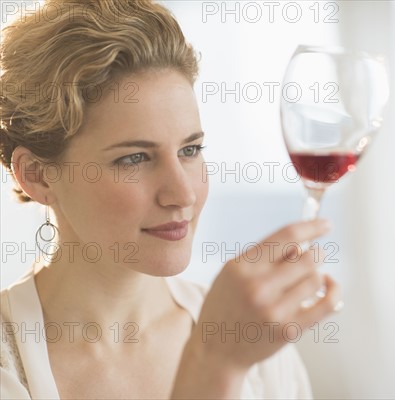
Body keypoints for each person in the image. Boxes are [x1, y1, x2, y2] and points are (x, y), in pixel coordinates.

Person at [0, 1, 341, 398]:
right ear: (38, 175)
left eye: (190, 150)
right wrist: (216, 364)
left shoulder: (251, 339)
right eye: (134, 158)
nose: (183, 194)